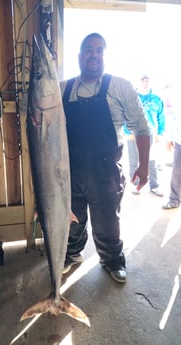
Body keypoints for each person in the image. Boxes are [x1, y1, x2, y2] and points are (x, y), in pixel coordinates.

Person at [60, 33, 150, 283]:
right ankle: (72, 254)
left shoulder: (120, 86)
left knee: (108, 222)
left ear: (104, 56)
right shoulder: (63, 89)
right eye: (89, 49)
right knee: (72, 219)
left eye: (100, 50)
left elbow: (141, 128)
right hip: (71, 171)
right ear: (79, 56)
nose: (94, 54)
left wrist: (143, 166)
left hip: (105, 171)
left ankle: (111, 259)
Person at [124, 75, 165, 196]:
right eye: (143, 80)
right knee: (133, 160)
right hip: (134, 133)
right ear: (139, 82)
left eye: (147, 80)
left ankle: (154, 185)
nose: (145, 83)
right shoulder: (132, 97)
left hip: (150, 134)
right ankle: (136, 184)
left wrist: (160, 133)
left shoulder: (157, 99)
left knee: (151, 160)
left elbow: (161, 117)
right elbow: (125, 114)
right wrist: (127, 132)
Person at [162, 84, 181, 209]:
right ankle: (174, 200)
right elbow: (173, 122)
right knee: (176, 173)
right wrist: (169, 140)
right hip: (179, 142)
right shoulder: (177, 104)